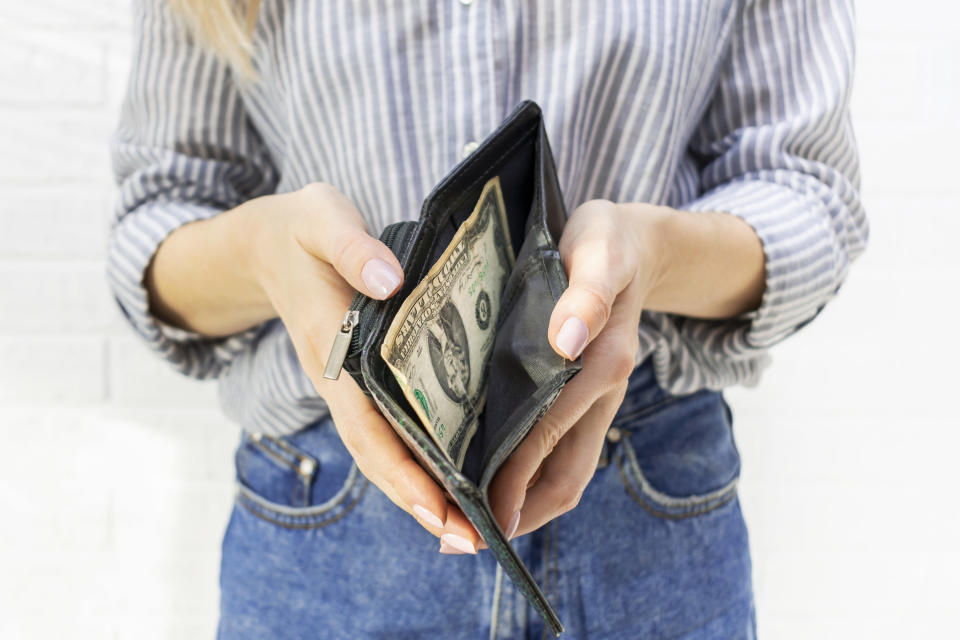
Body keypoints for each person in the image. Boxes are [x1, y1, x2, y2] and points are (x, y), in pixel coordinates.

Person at [107, 1, 867, 637]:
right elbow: (162, 214)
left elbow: (808, 196)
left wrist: (654, 253)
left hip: (647, 516)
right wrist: (259, 251)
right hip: (327, 523)